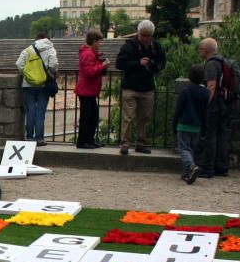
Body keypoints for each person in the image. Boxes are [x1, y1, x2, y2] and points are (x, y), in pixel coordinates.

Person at [115, 20, 165, 155]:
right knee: (128, 117)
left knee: (144, 118)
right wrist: (138, 63)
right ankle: (125, 144)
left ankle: (140, 144)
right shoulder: (129, 46)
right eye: (143, 35)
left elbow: (162, 64)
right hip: (130, 87)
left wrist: (152, 65)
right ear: (138, 33)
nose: (145, 39)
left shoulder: (156, 47)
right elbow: (119, 63)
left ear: (152, 36)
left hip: (147, 87)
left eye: (148, 36)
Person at [197, 37, 233, 178]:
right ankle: (222, 167)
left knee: (210, 136)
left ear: (205, 50)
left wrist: (206, 104)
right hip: (224, 102)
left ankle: (207, 168)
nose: (200, 52)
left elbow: (211, 86)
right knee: (222, 135)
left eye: (201, 49)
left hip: (215, 103)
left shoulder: (211, 64)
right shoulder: (223, 61)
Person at [15, 33, 59, 146]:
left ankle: (29, 137)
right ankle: (39, 139)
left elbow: (19, 64)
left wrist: (28, 75)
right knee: (40, 112)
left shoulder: (28, 50)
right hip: (44, 85)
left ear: (36, 40)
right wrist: (49, 73)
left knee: (30, 111)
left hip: (28, 85)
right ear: (47, 39)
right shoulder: (50, 49)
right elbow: (54, 65)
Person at [171, 65, 210, 184]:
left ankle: (192, 167)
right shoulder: (206, 93)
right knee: (190, 149)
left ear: (189, 77)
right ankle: (187, 173)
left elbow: (178, 109)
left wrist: (174, 124)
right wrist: (204, 128)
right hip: (197, 126)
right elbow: (205, 112)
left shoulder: (186, 91)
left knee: (183, 149)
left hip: (184, 124)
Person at [74, 30, 110, 149]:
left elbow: (92, 69)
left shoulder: (91, 53)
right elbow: (89, 72)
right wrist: (103, 65)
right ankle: (83, 142)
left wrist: (100, 62)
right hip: (86, 90)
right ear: (94, 41)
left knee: (92, 117)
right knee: (87, 117)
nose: (100, 44)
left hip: (89, 90)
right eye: (99, 42)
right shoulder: (88, 54)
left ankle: (89, 140)